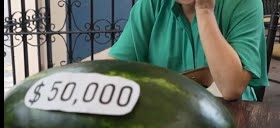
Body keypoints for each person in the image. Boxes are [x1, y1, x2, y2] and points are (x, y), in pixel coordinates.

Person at [105, 0, 268, 101]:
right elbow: (119, 61)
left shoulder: (245, 3)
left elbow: (231, 88)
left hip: (231, 114)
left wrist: (205, 10)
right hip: (166, 112)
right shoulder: (151, 4)